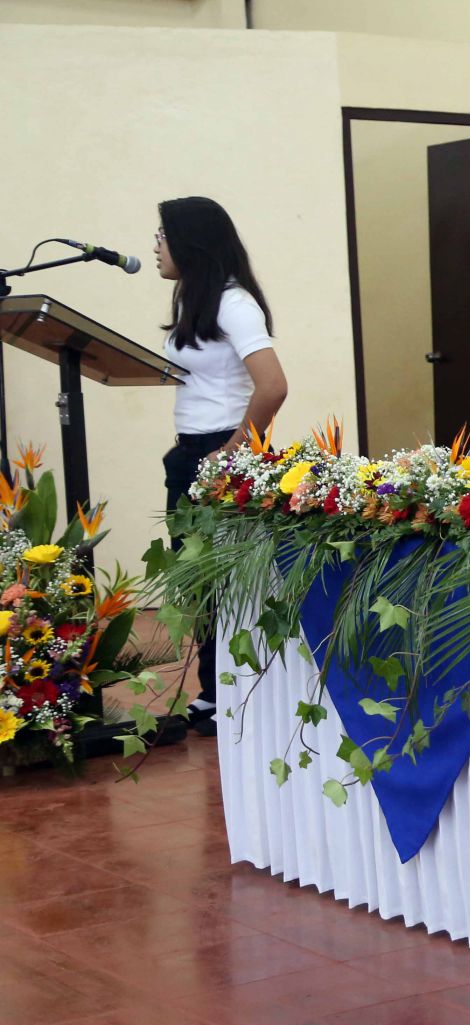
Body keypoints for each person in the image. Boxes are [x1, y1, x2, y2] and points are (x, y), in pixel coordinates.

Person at [156, 196, 288, 737]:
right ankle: (215, 690)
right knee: (200, 586)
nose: (156, 246)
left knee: (226, 584)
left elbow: (274, 385)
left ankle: (234, 693)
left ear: (192, 241)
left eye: (162, 235)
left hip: (220, 453)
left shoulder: (233, 303)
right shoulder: (197, 301)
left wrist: (233, 450)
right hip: (189, 453)